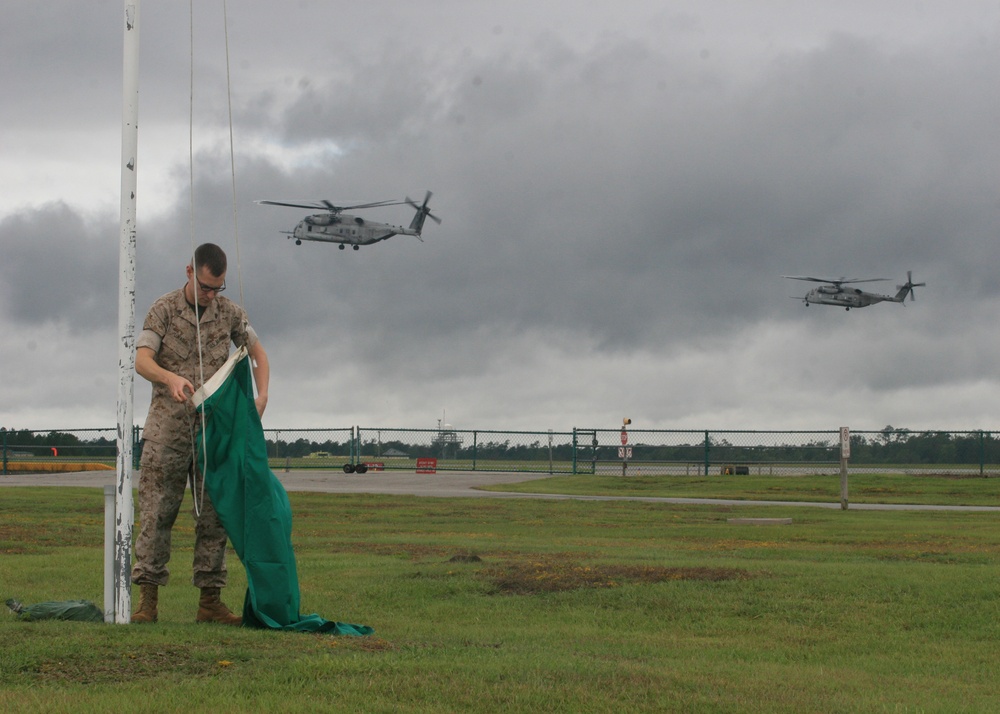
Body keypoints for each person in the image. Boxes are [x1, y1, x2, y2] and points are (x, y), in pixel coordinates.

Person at [130, 243, 269, 625]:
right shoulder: (163, 309)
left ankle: (210, 603)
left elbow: (258, 354)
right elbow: (141, 360)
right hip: (167, 433)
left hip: (214, 435)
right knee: (157, 516)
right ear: (190, 272)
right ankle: (147, 603)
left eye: (218, 288)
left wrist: (262, 395)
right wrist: (168, 376)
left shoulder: (230, 314)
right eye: (206, 286)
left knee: (214, 519)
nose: (211, 295)